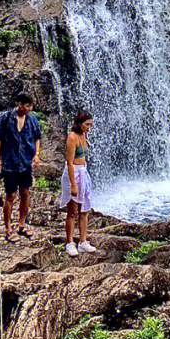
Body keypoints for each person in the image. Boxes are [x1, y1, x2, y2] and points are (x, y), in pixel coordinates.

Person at [0, 92, 41, 243]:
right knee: (10, 196)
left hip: (25, 161)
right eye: (27, 105)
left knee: (25, 192)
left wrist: (37, 154)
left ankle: (22, 224)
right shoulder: (6, 117)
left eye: (31, 106)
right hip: (10, 162)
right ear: (19, 104)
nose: (29, 109)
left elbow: (37, 136)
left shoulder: (32, 118)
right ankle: (8, 228)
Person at [59, 109, 96, 256]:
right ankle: (69, 242)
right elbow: (69, 163)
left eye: (90, 125)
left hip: (83, 171)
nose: (89, 127)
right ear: (79, 123)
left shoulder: (83, 135)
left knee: (84, 209)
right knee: (72, 211)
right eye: (87, 124)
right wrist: (73, 184)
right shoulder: (72, 138)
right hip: (73, 173)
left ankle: (83, 242)